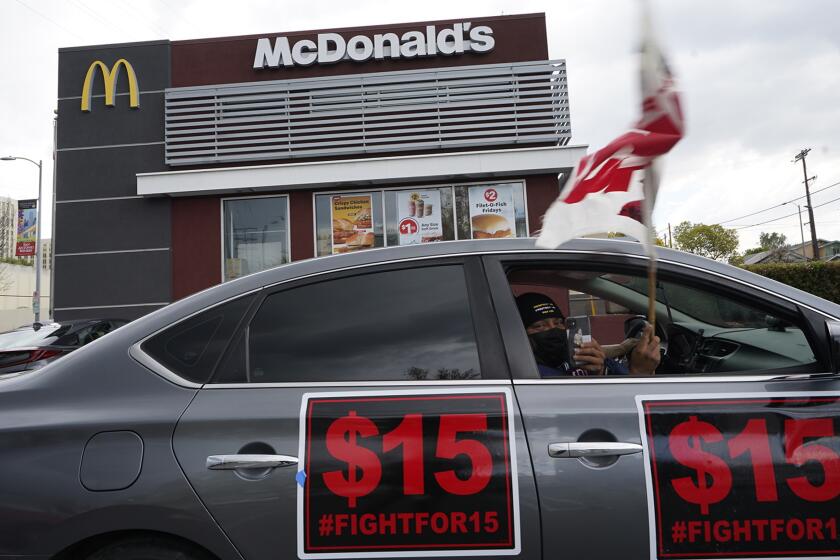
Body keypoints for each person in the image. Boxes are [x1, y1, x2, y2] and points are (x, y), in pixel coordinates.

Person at [515, 292, 661, 377]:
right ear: (521, 332)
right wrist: (639, 372)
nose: (553, 330)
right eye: (540, 326)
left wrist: (602, 369)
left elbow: (614, 369)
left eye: (558, 322)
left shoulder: (576, 353)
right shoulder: (529, 373)